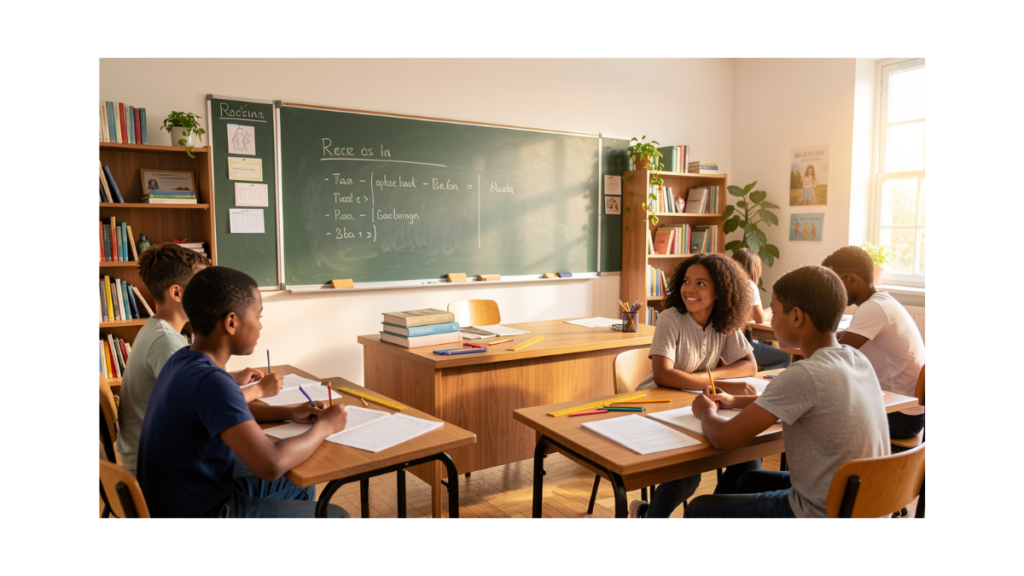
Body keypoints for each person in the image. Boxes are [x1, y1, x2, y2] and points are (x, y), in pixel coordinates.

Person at [138, 266, 350, 518]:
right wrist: (326, 427)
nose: (260, 326)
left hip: (173, 498)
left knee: (300, 487)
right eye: (258, 316)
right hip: (200, 511)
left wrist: (291, 412)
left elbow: (228, 411)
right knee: (336, 516)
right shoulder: (212, 381)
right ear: (231, 322)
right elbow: (270, 465)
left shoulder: (183, 360)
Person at [684, 265, 890, 518]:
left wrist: (706, 411)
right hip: (867, 504)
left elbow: (723, 438)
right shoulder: (856, 359)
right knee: (748, 480)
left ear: (796, 316)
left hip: (823, 513)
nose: (770, 319)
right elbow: (806, 402)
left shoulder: (803, 375)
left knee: (699, 508)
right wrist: (735, 400)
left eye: (775, 309)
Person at [117, 244, 280, 474]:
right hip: (159, 467)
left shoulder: (158, 330)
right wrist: (259, 390)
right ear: (177, 293)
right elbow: (210, 400)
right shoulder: (167, 343)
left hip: (155, 455)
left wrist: (232, 378)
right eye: (200, 283)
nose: (210, 289)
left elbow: (192, 391)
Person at [628, 253, 760, 518]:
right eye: (687, 281)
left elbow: (749, 366)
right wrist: (718, 382)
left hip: (695, 404)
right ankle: (649, 517)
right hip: (657, 404)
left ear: (720, 292)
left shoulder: (724, 320)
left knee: (749, 461)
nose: (689, 289)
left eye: (701, 283)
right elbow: (664, 375)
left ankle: (713, 514)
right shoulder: (671, 319)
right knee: (687, 478)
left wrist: (709, 381)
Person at [822, 246, 925, 447]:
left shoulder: (873, 308)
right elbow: (840, 339)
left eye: (834, 282)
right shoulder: (882, 302)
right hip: (907, 411)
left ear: (852, 279)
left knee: (818, 417)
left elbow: (834, 355)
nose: (831, 290)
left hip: (899, 416)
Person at [732, 248, 791, 370]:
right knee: (785, 357)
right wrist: (772, 309)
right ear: (754, 268)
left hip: (727, 343)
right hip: (741, 345)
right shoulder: (749, 285)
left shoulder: (726, 283)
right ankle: (767, 385)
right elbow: (759, 318)